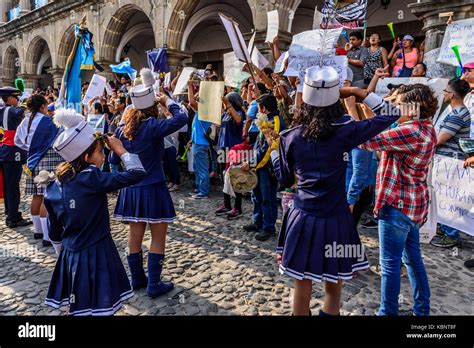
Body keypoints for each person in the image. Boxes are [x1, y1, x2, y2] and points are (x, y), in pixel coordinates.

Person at [268, 66, 402, 316]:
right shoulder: (345, 132)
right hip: (336, 217)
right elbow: (391, 113)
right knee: (333, 284)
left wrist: (275, 153)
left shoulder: (290, 136)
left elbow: (285, 179)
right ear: (335, 99)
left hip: (302, 216)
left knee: (302, 283)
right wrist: (357, 92)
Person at [43, 108, 146, 316]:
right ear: (88, 156)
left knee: (80, 308)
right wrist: (121, 151)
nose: (103, 155)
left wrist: (65, 256)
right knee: (101, 306)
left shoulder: (53, 185)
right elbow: (137, 173)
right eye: (100, 152)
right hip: (98, 252)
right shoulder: (92, 179)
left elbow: (54, 232)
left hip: (69, 255)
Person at [358, 73, 438, 315]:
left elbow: (366, 141)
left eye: (399, 103)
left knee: (390, 265)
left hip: (396, 205)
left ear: (413, 107)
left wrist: (354, 105)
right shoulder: (425, 127)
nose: (394, 107)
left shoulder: (409, 131)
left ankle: (387, 312)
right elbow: (382, 128)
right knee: (413, 260)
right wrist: (366, 106)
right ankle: (422, 310)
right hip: (414, 205)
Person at [112, 68, 187, 298]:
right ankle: (154, 283)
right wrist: (167, 99)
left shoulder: (121, 129)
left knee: (134, 236)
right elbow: (182, 118)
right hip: (153, 186)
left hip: (131, 189)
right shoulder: (152, 126)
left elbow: (114, 158)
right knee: (158, 236)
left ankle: (137, 279)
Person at [14, 94, 63, 246]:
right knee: (46, 197)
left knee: (36, 195)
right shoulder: (48, 121)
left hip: (33, 160)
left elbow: (17, 141)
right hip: (48, 159)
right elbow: (59, 140)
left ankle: (38, 231)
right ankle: (48, 237)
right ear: (42, 106)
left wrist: (30, 149)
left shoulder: (25, 121)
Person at [431, 78, 471, 248]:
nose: (444, 94)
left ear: (453, 95)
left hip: (450, 161)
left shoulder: (458, 114)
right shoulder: (457, 111)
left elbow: (440, 139)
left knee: (447, 197)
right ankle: (443, 227)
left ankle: (451, 234)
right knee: (440, 195)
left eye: (446, 91)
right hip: (446, 160)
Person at [242, 94, 285, 241]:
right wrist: (252, 161)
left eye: (259, 107)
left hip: (268, 168)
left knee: (268, 198)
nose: (257, 111)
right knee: (257, 196)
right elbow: (259, 144)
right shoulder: (267, 119)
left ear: (264, 108)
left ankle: (268, 227)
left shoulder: (276, 122)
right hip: (258, 166)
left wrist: (252, 163)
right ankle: (257, 221)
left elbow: (270, 148)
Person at [0, 87, 32, 228]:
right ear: (10, 98)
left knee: (9, 185)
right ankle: (13, 217)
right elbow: (23, 110)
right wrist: (26, 101)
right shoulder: (12, 110)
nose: (18, 100)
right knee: (13, 186)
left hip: (6, 150)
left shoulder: (2, 110)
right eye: (16, 97)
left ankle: (10, 212)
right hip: (13, 150)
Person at [215, 92, 246, 220]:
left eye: (227, 101)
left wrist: (227, 105)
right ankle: (227, 204)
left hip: (234, 149)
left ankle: (238, 207)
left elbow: (238, 120)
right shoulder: (225, 114)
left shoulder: (239, 112)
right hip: (223, 148)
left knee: (235, 178)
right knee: (224, 177)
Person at [187, 79, 211, 199]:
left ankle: (204, 191)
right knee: (197, 168)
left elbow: (191, 102)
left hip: (202, 144)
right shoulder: (201, 111)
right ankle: (198, 189)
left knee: (202, 169)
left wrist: (190, 86)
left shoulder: (205, 110)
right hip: (197, 142)